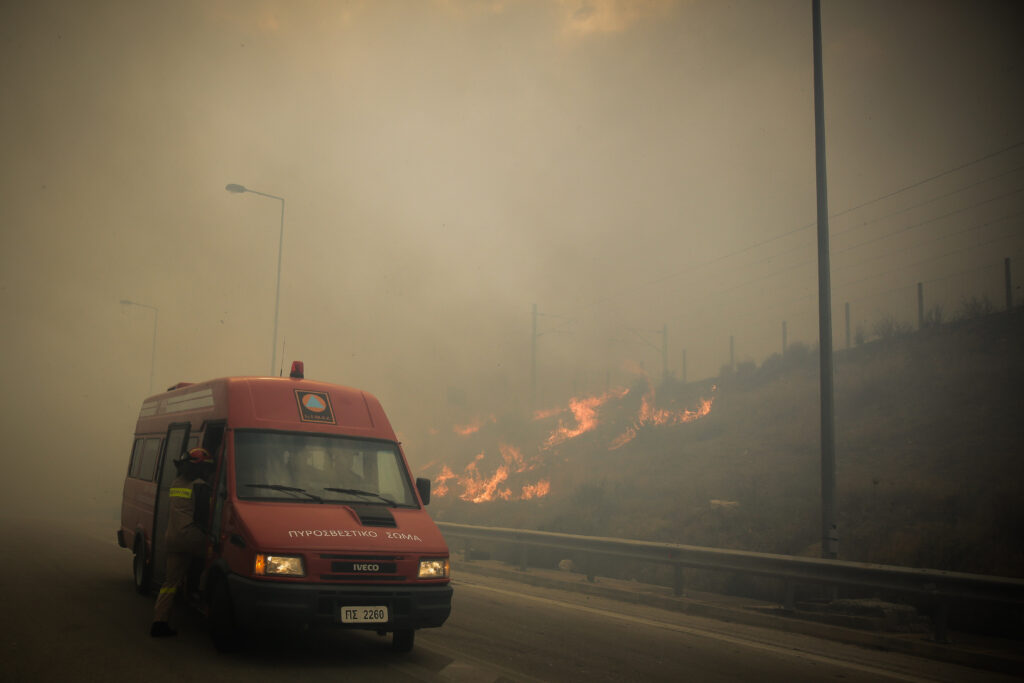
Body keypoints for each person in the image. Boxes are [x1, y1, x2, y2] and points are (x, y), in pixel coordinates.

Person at [150, 447, 215, 637]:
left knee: (170, 583)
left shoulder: (176, 482)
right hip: (191, 537)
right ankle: (199, 593)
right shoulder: (200, 486)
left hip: (172, 537)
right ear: (199, 468)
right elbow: (207, 515)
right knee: (219, 557)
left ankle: (159, 622)